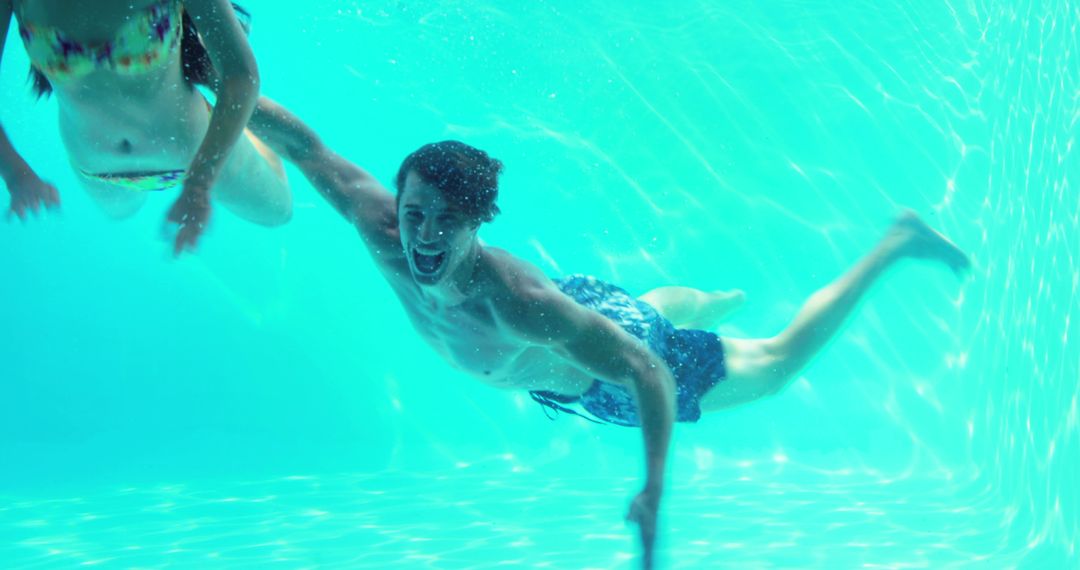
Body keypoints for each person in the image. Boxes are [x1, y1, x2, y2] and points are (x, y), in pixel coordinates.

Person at [246, 98, 971, 569]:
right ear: (393, 205)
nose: (425, 240)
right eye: (414, 216)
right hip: (586, 308)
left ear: (476, 225)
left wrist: (653, 487)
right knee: (636, 310)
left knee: (776, 365)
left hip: (605, 374)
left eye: (446, 223)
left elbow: (647, 376)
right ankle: (709, 303)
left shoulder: (515, 303)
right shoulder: (379, 229)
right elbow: (305, 147)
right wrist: (208, 74)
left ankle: (895, 244)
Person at [0, 0, 291, 254]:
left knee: (279, 213)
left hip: (195, 153)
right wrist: (16, 175)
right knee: (122, 217)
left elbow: (241, 77)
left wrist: (199, 184)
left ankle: (247, 134)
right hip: (96, 170)